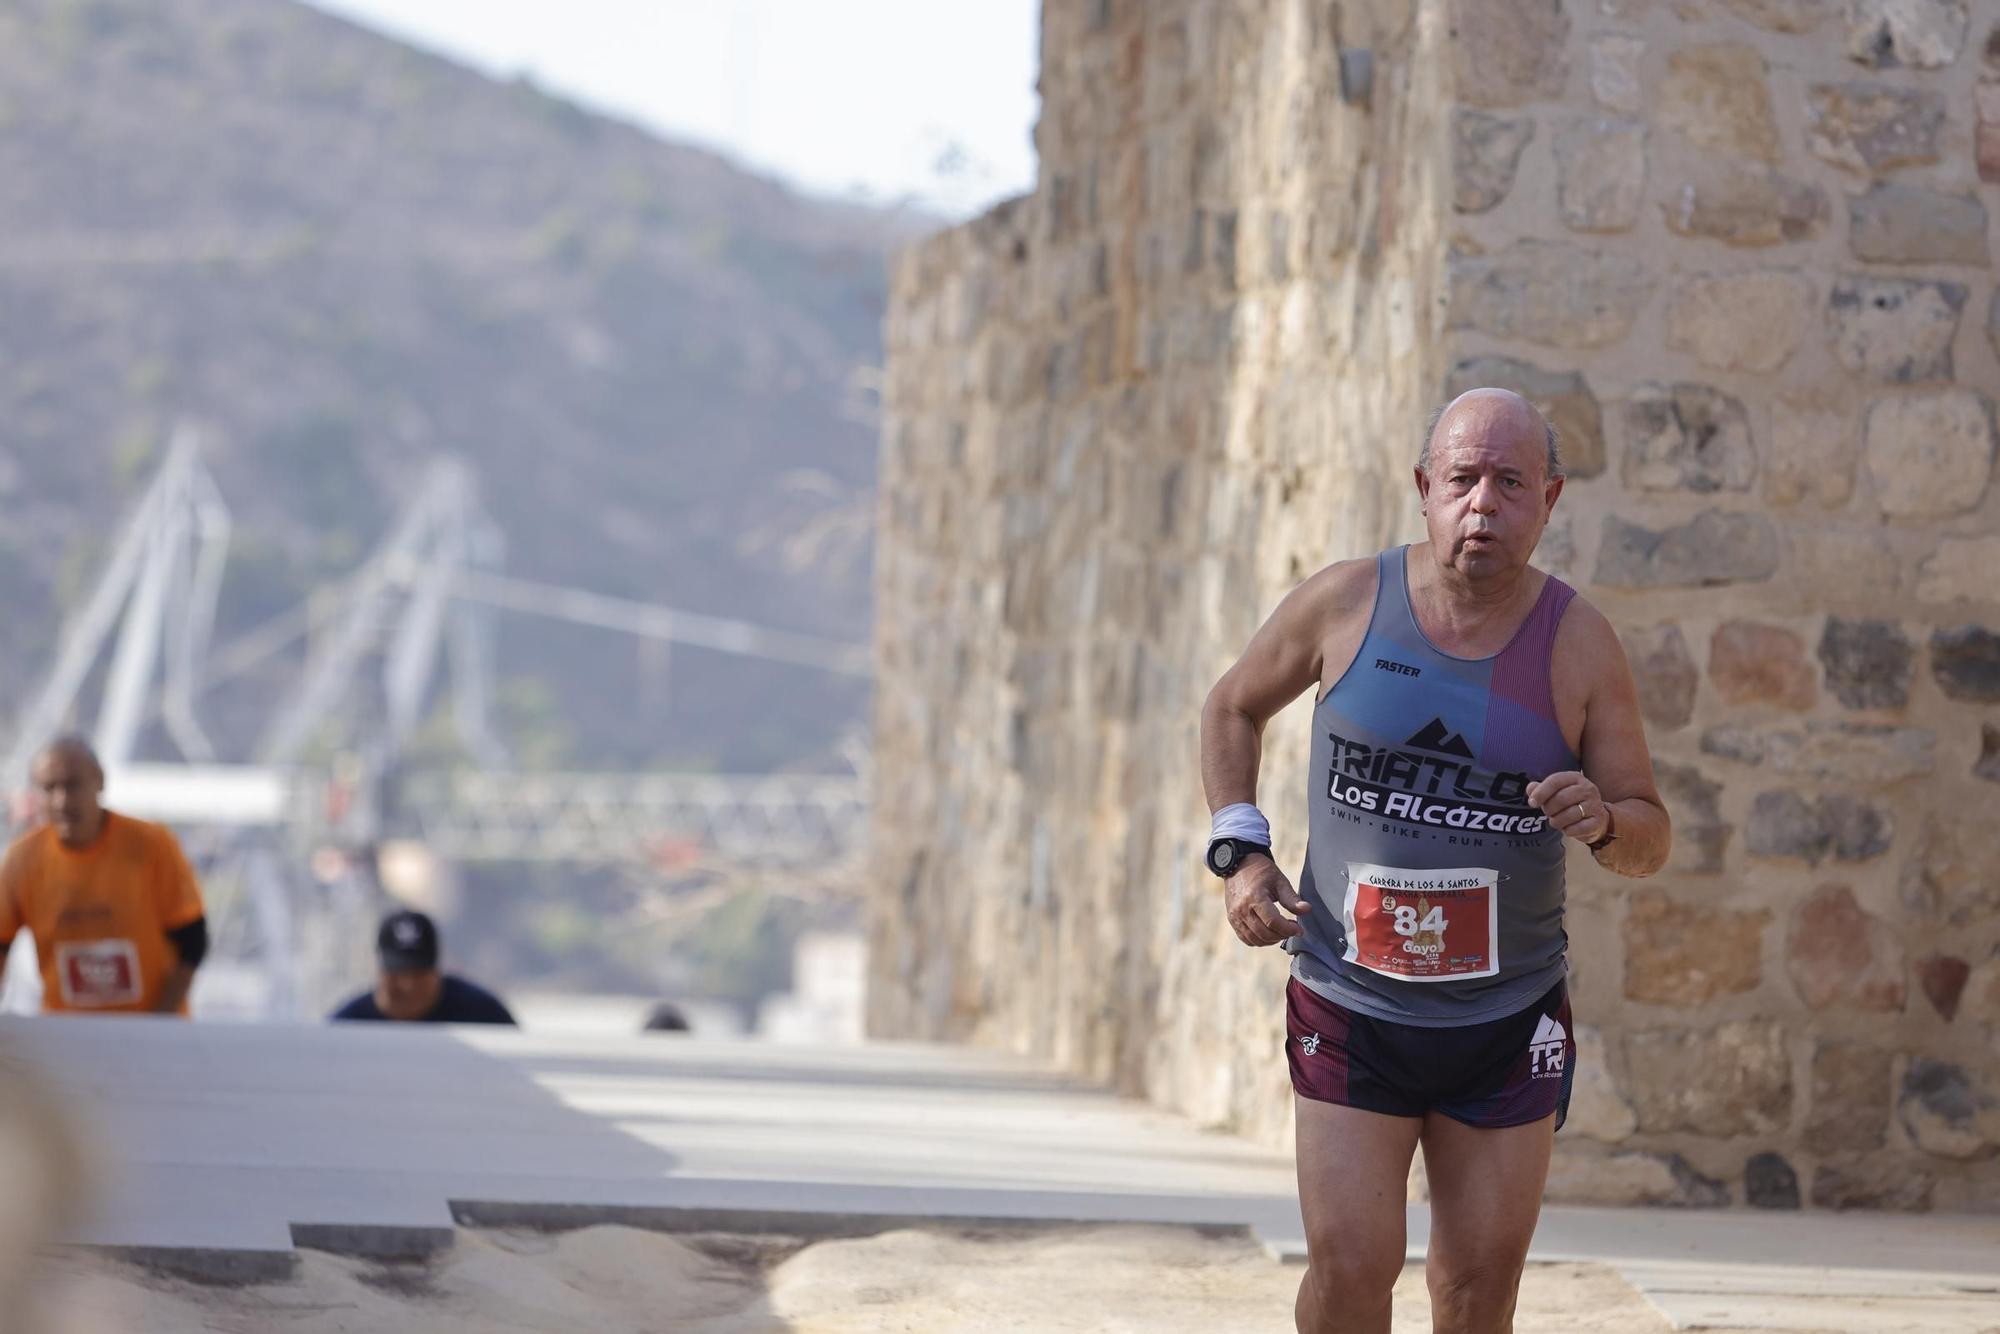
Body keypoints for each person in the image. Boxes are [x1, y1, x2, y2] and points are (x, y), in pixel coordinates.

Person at [1199, 389, 1670, 1334]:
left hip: (1505, 1018)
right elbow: (1231, 707)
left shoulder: (1577, 643)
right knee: (1348, 1268)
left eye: (1509, 483)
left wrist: (1604, 819)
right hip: (1351, 1000)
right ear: (1424, 488)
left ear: (1551, 499)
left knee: (1475, 1292)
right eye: (1462, 480)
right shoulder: (1347, 602)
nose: (1483, 506)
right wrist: (1242, 854)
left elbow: (1648, 835)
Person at [0, 736, 209, 1016]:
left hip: (151, 1030)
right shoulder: (22, 859)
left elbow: (193, 940)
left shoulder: (151, 844)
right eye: (50, 788)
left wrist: (158, 1023)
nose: (62, 801)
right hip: (65, 1035)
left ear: (99, 781)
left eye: (73, 785)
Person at [330, 909, 516, 1024]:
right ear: (379, 972)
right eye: (397, 973)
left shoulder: (483, 1014)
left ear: (436, 971)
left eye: (418, 974)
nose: (407, 985)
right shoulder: (348, 1025)